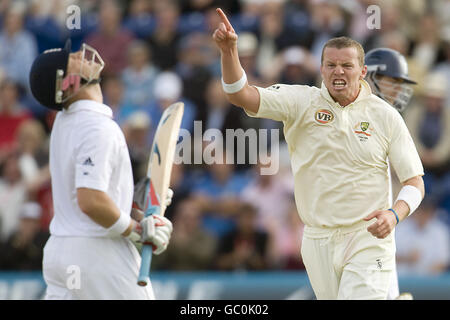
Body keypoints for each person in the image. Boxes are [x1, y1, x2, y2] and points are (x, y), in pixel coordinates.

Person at [212, 8, 425, 300]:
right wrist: (229, 52)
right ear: (322, 69)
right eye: (331, 65)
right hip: (316, 239)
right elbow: (240, 94)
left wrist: (394, 214)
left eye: (347, 65)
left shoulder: (385, 116)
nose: (339, 71)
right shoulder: (300, 101)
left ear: (362, 71)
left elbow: (414, 183)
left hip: (368, 237)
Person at [28, 39, 173, 300]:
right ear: (68, 82)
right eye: (73, 58)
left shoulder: (64, 120)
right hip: (97, 254)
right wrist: (137, 231)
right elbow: (91, 201)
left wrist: (137, 209)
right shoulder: (97, 127)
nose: (81, 54)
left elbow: (92, 193)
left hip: (60, 250)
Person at [364, 47, 418, 300]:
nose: (398, 89)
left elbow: (414, 181)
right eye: (393, 81)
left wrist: (394, 213)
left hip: (380, 226)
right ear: (370, 77)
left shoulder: (390, 120)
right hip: (349, 229)